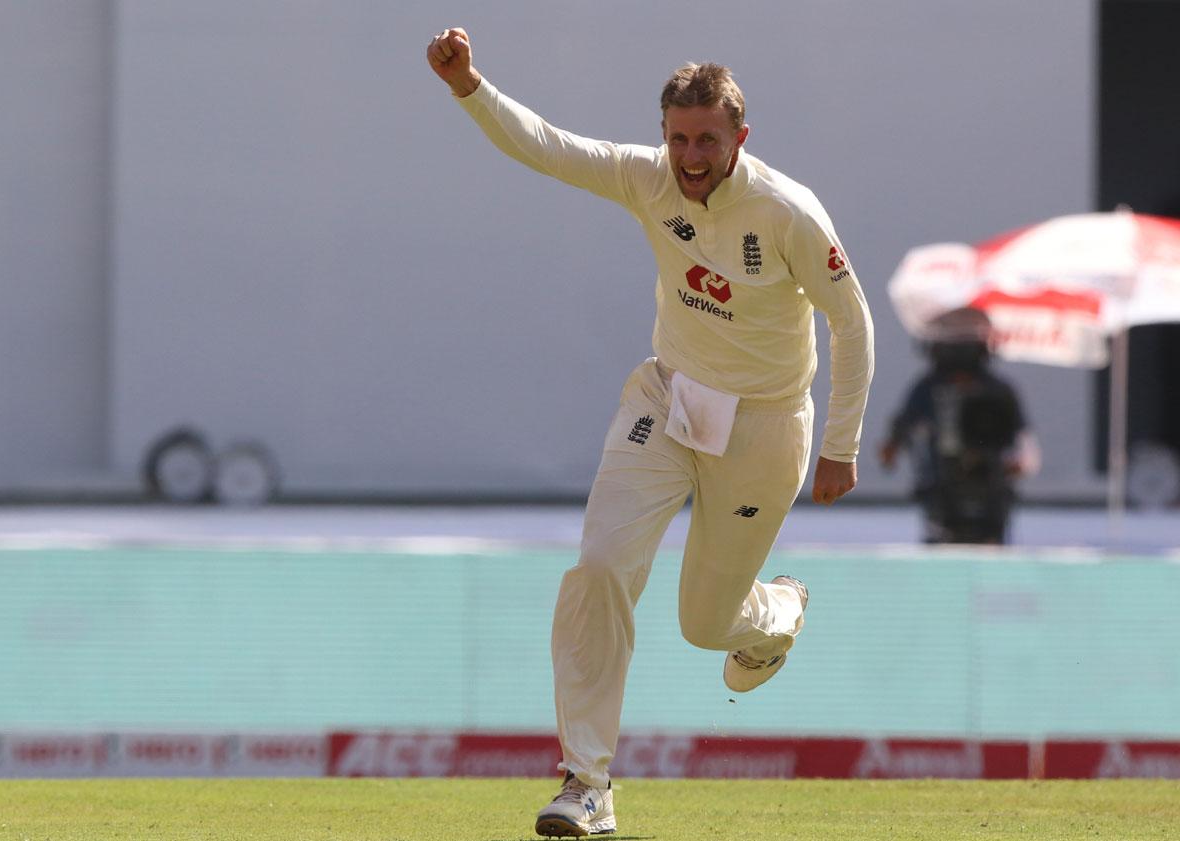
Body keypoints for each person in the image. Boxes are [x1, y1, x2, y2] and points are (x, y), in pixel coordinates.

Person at [427, 27, 874, 837]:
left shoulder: (787, 212)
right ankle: (586, 783)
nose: (690, 155)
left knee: (705, 626)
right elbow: (550, 148)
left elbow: (854, 323)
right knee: (600, 563)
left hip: (766, 426)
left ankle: (774, 613)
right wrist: (470, 86)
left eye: (707, 138)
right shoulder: (647, 177)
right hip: (667, 398)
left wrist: (841, 442)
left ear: (741, 135)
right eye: (678, 137)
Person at [879, 307, 1040, 544]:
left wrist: (1014, 465)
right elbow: (900, 431)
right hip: (942, 493)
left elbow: (1024, 447)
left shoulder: (998, 391)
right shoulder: (929, 389)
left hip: (990, 495)